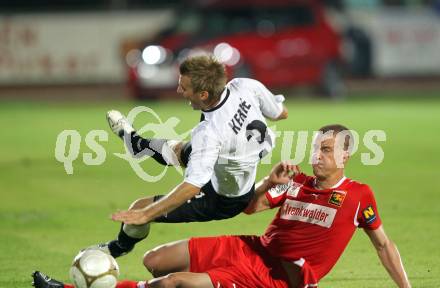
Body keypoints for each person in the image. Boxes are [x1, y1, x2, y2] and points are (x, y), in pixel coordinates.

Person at [33, 124, 411, 288]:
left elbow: (383, 244)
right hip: (253, 248)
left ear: (346, 155)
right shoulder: (296, 181)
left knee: (172, 283)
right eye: (315, 149)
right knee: (154, 259)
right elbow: (251, 207)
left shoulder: (359, 195)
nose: (317, 156)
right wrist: (269, 181)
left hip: (275, 278)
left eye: (326, 150)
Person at [98, 55, 288, 258]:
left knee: (139, 207)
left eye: (184, 88)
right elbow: (281, 113)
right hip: (227, 162)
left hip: (223, 199)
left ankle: (115, 250)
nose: (180, 91)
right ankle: (137, 144)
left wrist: (145, 214)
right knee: (180, 151)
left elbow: (192, 186)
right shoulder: (245, 86)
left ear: (204, 94)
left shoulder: (209, 133)